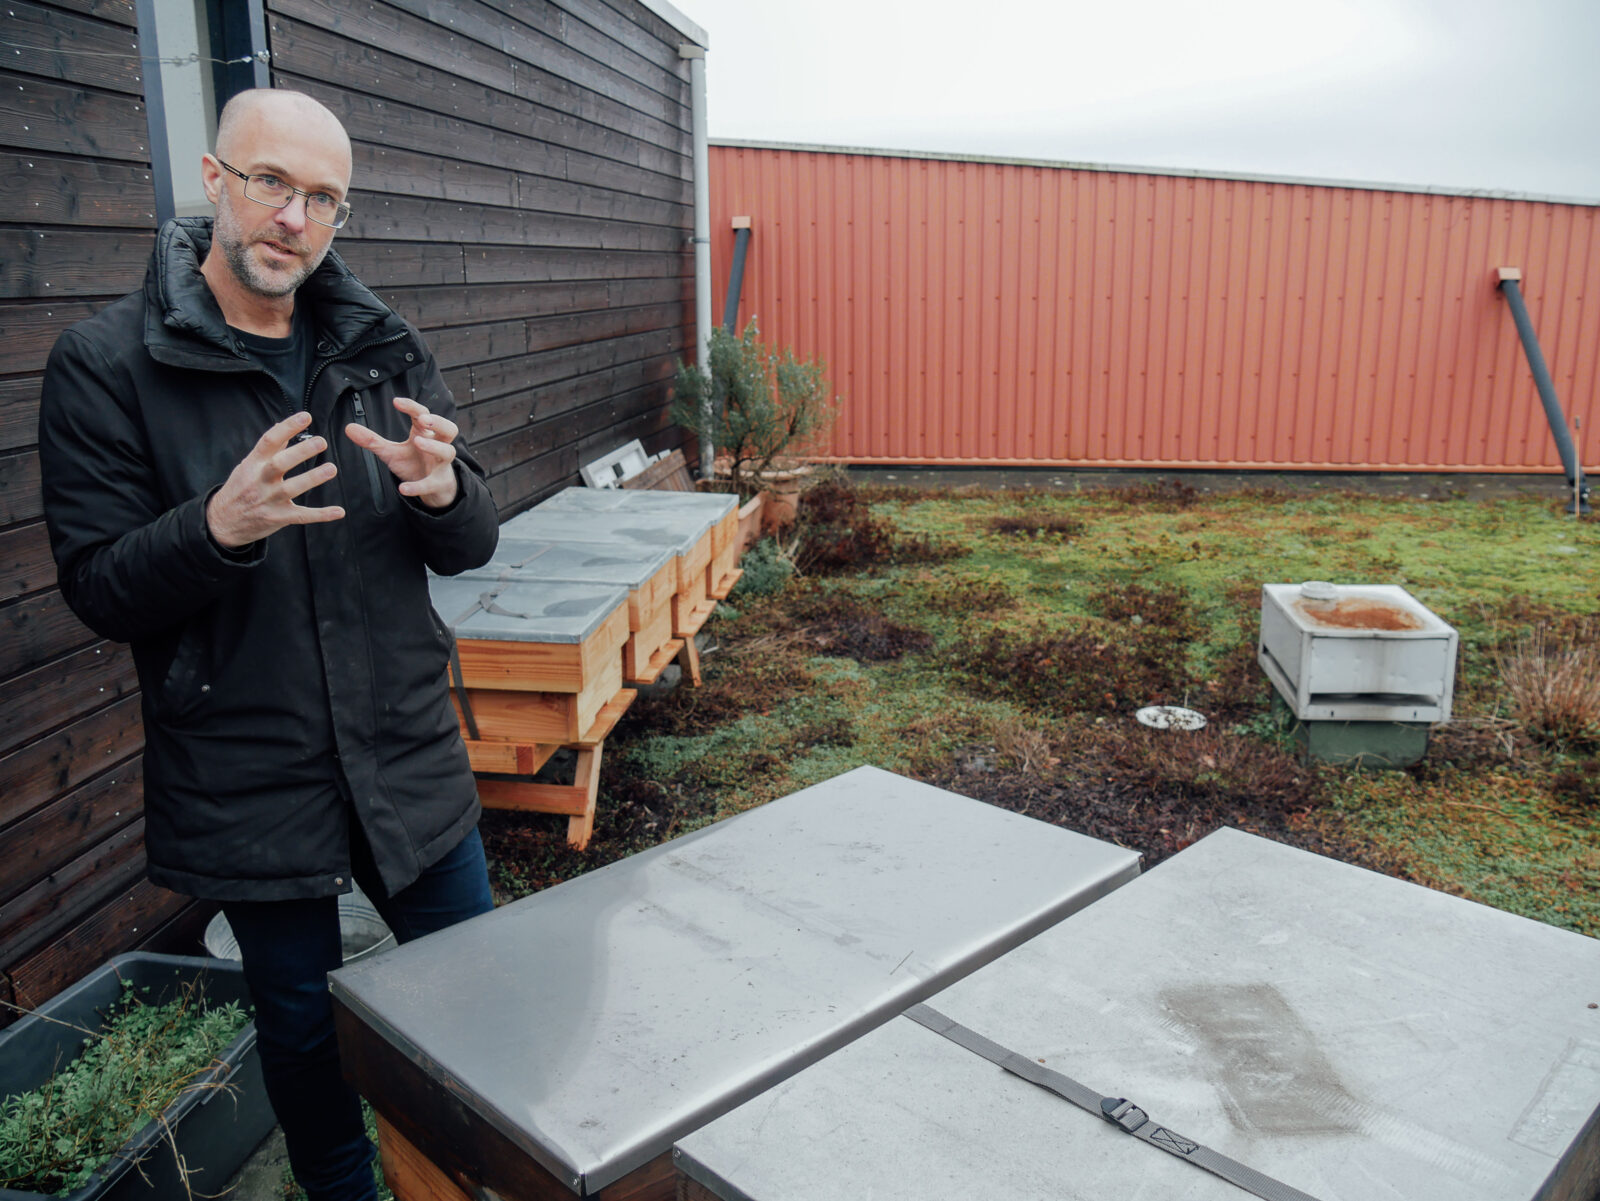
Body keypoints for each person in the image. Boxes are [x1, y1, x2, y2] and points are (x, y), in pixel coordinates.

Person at [38, 89, 499, 1201]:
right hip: (246, 771)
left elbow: (471, 541)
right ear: (213, 180)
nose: (296, 218)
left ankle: (479, 1178)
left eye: (324, 198)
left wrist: (446, 491)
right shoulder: (106, 364)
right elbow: (97, 585)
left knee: (480, 1000)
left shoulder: (379, 345)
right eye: (272, 183)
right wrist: (213, 527)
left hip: (406, 749)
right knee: (303, 1033)